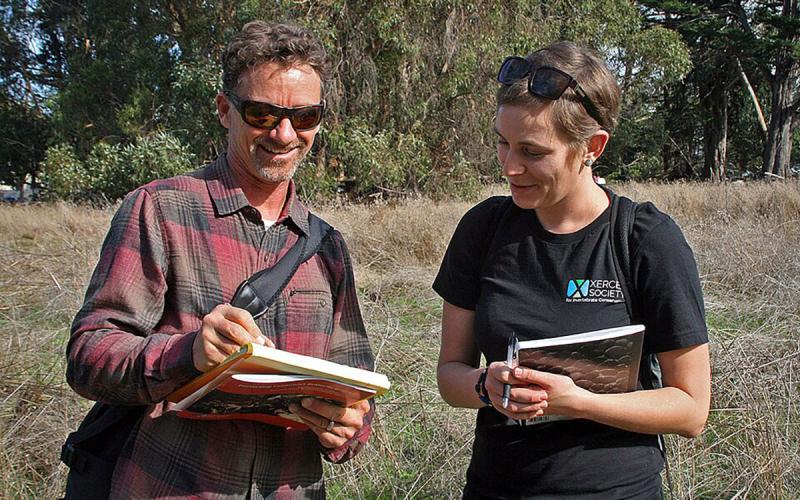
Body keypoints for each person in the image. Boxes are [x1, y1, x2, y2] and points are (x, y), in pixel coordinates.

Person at [65, 21, 375, 498]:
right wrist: (186, 353)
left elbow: (356, 382)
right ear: (224, 110)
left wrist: (348, 427)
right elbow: (89, 356)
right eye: (261, 113)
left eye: (305, 116)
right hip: (170, 485)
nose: (285, 133)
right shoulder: (160, 210)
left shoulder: (328, 246)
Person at [433, 41, 711, 498]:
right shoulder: (483, 229)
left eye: (532, 151)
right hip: (495, 487)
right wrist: (486, 384)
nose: (510, 166)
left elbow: (690, 409)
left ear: (591, 147)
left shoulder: (644, 239)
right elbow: (450, 374)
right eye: (502, 143)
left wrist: (578, 402)